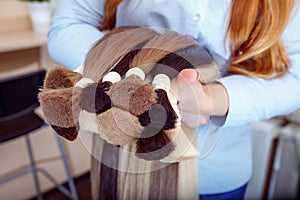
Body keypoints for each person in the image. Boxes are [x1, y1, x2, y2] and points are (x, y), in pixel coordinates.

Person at [47, 0, 300, 199]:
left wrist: (211, 99)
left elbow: (296, 79)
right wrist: (129, 74)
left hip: (216, 174)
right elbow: (68, 23)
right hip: (125, 166)